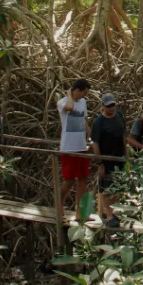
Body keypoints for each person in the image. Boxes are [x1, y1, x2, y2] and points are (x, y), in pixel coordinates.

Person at [91, 93, 128, 228]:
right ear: (103, 107)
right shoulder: (98, 122)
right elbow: (95, 144)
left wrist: (126, 153)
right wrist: (100, 163)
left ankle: (109, 211)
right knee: (107, 189)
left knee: (119, 188)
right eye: (108, 106)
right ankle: (109, 214)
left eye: (113, 105)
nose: (111, 108)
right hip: (106, 160)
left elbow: (123, 135)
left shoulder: (119, 115)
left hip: (120, 159)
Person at [58, 78, 92, 217]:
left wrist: (92, 136)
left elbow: (83, 121)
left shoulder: (83, 102)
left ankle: (81, 213)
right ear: (77, 90)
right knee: (69, 180)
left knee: (83, 179)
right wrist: (68, 95)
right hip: (68, 147)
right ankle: (59, 209)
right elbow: (69, 108)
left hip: (81, 146)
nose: (84, 96)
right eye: (84, 93)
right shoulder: (62, 102)